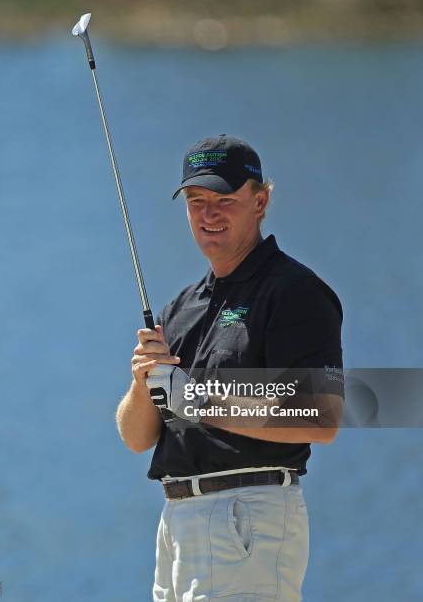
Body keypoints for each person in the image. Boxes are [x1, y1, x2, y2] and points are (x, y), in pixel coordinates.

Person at [116, 134, 344, 601]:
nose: (208, 214)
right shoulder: (180, 307)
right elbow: (137, 438)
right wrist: (144, 383)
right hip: (177, 520)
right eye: (197, 201)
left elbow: (321, 417)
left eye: (225, 199)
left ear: (260, 202)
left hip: (247, 513)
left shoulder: (294, 291)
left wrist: (195, 399)